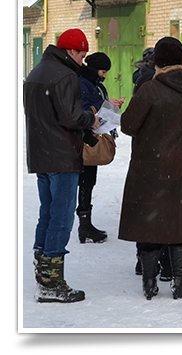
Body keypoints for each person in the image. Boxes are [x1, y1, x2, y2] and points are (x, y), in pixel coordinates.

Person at [119, 37, 182, 300]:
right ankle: (179, 282)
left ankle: (149, 282)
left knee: (151, 223)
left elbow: (129, 125)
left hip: (152, 165)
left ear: (158, 62)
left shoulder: (150, 89)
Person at [24, 28, 99, 303]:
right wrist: (90, 117)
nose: (83, 59)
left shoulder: (37, 72)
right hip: (62, 156)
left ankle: (42, 270)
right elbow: (70, 117)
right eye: (82, 53)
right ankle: (52, 282)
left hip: (41, 155)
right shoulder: (66, 75)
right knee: (62, 216)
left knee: (48, 212)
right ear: (70, 51)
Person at [77, 51, 123, 244]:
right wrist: (104, 108)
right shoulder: (83, 84)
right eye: (103, 71)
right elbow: (86, 109)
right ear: (95, 69)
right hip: (86, 138)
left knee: (89, 180)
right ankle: (84, 226)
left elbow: (98, 105)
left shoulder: (95, 84)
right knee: (86, 181)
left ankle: (86, 224)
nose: (104, 75)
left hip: (93, 136)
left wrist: (110, 106)